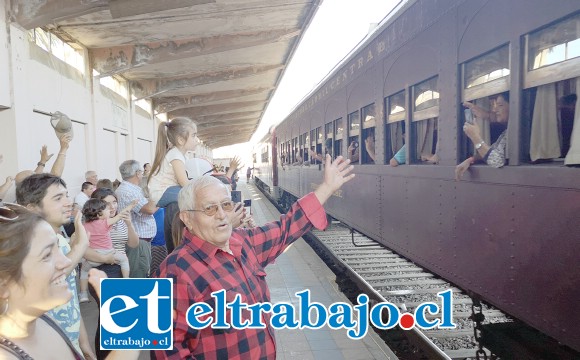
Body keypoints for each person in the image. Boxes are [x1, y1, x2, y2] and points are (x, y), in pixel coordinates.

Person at [152, 154, 355, 359]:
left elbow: (286, 228)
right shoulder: (173, 271)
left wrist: (327, 187)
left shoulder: (242, 242)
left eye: (226, 205)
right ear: (187, 218)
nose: (222, 214)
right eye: (209, 208)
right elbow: (167, 352)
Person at [0, 204, 140, 360]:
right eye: (46, 255)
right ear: (3, 284)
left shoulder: (45, 319)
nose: (66, 262)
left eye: (57, 248)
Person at [15, 173, 98, 359]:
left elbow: (71, 299)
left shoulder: (61, 240)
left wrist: (83, 343)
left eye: (67, 195)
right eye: (58, 198)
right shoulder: (26, 246)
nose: (69, 202)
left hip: (71, 342)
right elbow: (49, 280)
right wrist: (80, 246)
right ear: (32, 208)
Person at [78, 198, 135, 302]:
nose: (110, 211)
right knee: (124, 260)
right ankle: (126, 279)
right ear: (99, 214)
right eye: (107, 210)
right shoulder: (105, 223)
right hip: (109, 254)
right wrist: (131, 205)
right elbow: (121, 214)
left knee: (84, 271)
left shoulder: (84, 226)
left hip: (92, 258)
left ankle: (83, 294)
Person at [116, 160, 157, 278]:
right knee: (138, 274)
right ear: (138, 173)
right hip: (137, 241)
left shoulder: (129, 188)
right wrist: (159, 195)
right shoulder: (128, 191)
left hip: (139, 240)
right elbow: (150, 209)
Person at [455, 92, 509, 180]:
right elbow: (493, 150)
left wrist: (475, 137)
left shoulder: (513, 133)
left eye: (500, 105)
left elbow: (497, 161)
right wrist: (470, 159)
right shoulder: (507, 133)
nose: (495, 110)